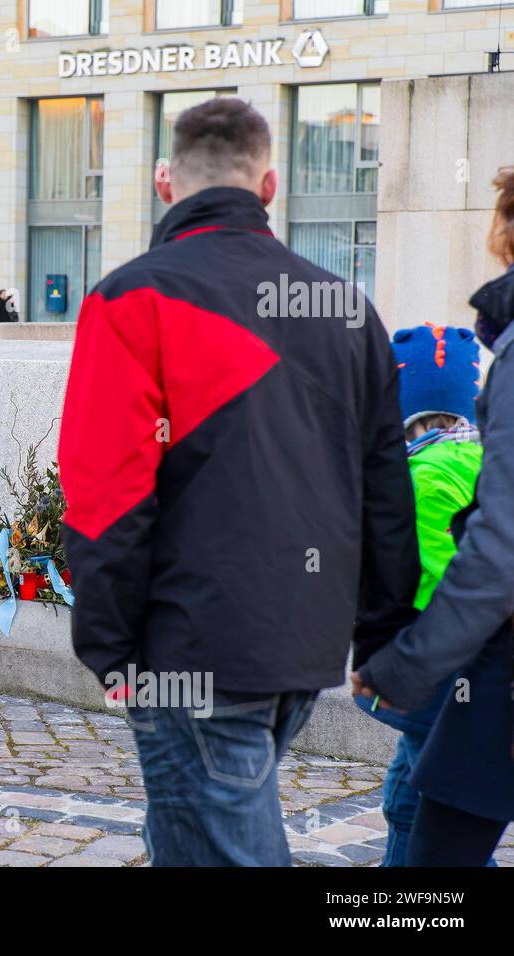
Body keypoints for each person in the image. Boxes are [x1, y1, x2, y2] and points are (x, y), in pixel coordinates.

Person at [57, 98, 417, 866]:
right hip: (302, 644)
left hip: (193, 641)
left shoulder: (130, 299)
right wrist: (380, 636)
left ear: (164, 183)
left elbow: (105, 489)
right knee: (188, 832)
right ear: (271, 184)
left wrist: (109, 648)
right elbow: (387, 490)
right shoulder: (346, 309)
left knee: (214, 843)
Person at [354, 167, 514, 866]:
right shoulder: (467, 447)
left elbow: (493, 553)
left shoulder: (411, 470)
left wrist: (404, 663)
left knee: (436, 849)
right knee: (422, 795)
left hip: (467, 663)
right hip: (469, 662)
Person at [352, 324, 485, 866]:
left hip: (435, 671)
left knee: (428, 811)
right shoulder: (479, 459)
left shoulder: (422, 477)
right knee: (410, 798)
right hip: (460, 673)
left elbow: (426, 579)